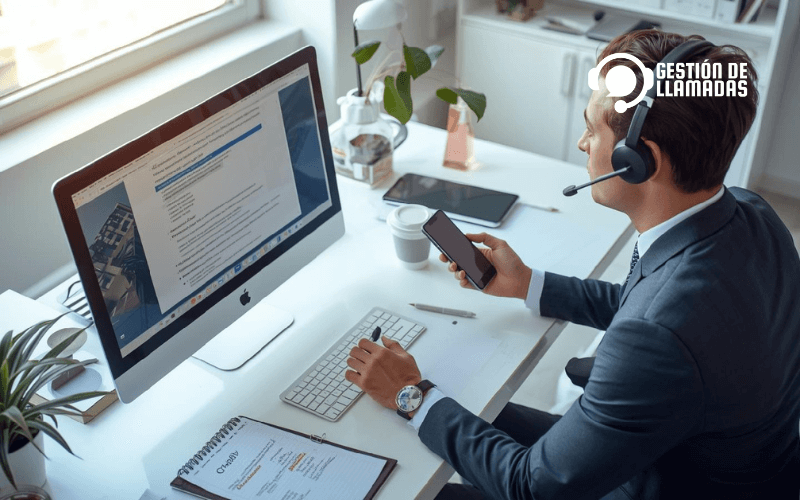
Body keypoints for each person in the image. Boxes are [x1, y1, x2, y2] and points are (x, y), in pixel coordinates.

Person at [345, 29, 800, 499]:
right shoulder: (752, 215)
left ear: (640, 161)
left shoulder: (655, 338)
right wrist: (528, 284)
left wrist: (411, 396)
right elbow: (651, 302)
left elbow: (532, 485)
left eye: (593, 129)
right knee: (478, 405)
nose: (583, 143)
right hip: (715, 461)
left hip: (657, 483)